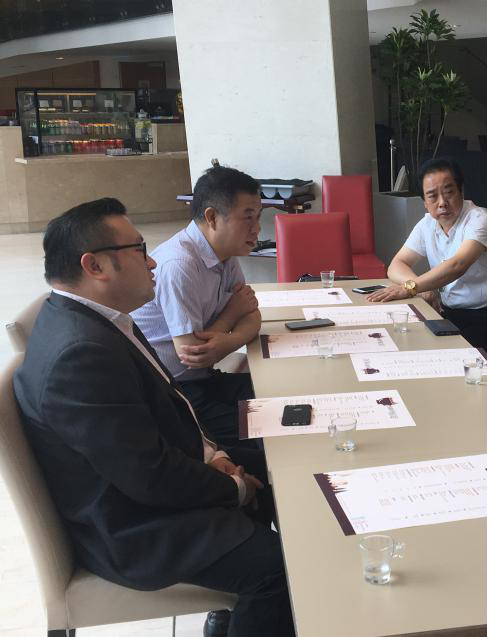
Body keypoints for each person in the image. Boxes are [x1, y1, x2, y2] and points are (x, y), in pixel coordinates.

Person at [14, 199, 292, 637]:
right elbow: (148, 476)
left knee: (289, 470)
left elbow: (171, 408)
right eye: (139, 249)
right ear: (95, 265)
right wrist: (233, 487)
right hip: (134, 528)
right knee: (281, 570)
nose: (153, 261)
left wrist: (215, 456)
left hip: (150, 485)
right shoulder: (80, 355)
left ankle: (233, 615)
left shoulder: (96, 319)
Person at [132, 166, 262, 448]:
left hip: (204, 379)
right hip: (175, 392)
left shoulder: (225, 254)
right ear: (212, 217)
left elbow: (252, 314)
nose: (257, 229)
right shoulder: (179, 265)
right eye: (248, 217)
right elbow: (194, 355)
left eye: (258, 217)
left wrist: (231, 333)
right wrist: (232, 314)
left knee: (282, 394)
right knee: (265, 435)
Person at [366, 157, 487, 352]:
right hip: (452, 315)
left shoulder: (480, 219)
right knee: (398, 340)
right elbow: (397, 265)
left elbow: (458, 265)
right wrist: (420, 289)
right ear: (424, 202)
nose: (442, 203)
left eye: (449, 193)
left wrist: (409, 287)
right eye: (432, 196)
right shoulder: (427, 224)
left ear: (461, 191)